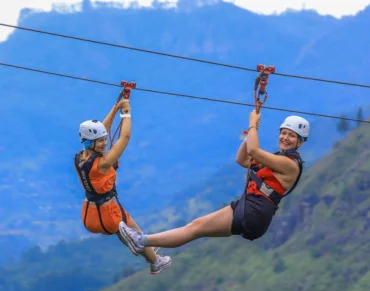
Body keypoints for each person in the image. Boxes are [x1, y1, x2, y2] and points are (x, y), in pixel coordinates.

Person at [117, 109, 310, 254]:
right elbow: (243, 159)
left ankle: (141, 241)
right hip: (249, 207)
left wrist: (253, 126)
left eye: (291, 135)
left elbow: (254, 152)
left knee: (196, 228)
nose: (285, 138)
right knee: (196, 226)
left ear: (300, 142)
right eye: (283, 133)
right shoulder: (278, 159)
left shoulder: (290, 165)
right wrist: (249, 135)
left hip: (254, 212)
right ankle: (143, 241)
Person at [74, 98, 172, 274]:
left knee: (135, 230)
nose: (105, 143)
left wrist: (116, 107)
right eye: (100, 141)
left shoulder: (80, 157)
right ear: (90, 143)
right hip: (108, 215)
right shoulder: (102, 164)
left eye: (105, 139)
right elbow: (125, 138)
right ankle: (137, 244)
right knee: (133, 235)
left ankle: (153, 259)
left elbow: (103, 128)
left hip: (89, 214)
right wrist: (126, 113)